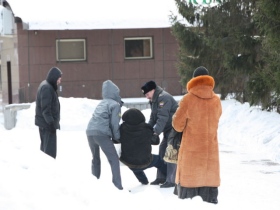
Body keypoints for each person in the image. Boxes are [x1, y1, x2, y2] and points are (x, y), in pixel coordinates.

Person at [172, 66, 222, 204]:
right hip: (210, 156)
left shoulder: (188, 99)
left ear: (194, 80)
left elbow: (177, 125)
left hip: (191, 158)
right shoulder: (216, 100)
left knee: (189, 203)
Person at [86, 80, 123, 190]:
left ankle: (95, 184)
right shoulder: (115, 104)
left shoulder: (101, 103)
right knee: (114, 159)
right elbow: (114, 123)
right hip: (101, 134)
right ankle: (118, 186)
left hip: (90, 132)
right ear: (115, 93)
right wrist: (117, 137)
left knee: (95, 158)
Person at [141, 80, 178, 188]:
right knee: (162, 149)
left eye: (147, 94)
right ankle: (162, 177)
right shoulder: (154, 100)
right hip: (168, 129)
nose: (146, 97)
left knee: (170, 151)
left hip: (175, 129)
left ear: (152, 90)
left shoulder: (163, 98)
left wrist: (155, 132)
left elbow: (162, 118)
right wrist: (147, 130)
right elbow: (153, 117)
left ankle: (171, 180)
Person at [118, 108, 167, 185]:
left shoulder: (122, 129)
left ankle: (144, 182)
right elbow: (156, 142)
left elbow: (115, 140)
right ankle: (168, 176)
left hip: (128, 162)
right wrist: (155, 134)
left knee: (135, 167)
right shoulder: (146, 128)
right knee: (159, 161)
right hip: (146, 161)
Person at [35, 66, 62, 159]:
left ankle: (45, 170)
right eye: (59, 78)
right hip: (47, 125)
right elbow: (46, 109)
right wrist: (51, 123)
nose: (59, 81)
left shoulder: (48, 86)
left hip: (45, 124)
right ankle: (49, 172)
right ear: (54, 77)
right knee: (49, 154)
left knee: (45, 151)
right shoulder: (47, 88)